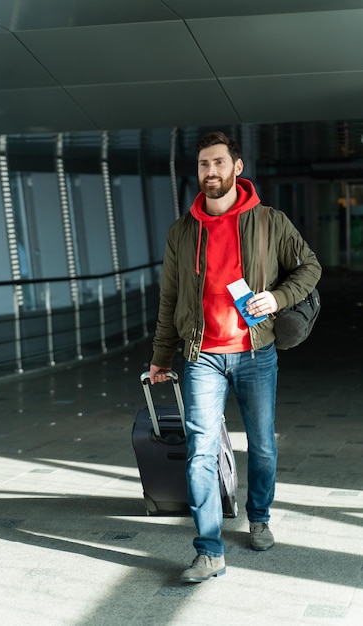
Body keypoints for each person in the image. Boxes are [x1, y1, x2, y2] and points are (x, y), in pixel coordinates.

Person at [149, 130, 322, 584]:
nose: (211, 172)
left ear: (237, 168)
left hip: (256, 352)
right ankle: (209, 550)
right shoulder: (182, 231)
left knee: (262, 443)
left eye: (219, 163)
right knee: (200, 452)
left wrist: (279, 297)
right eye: (204, 164)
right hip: (201, 355)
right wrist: (160, 356)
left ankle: (259, 516)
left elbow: (310, 266)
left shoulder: (269, 221)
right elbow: (170, 298)